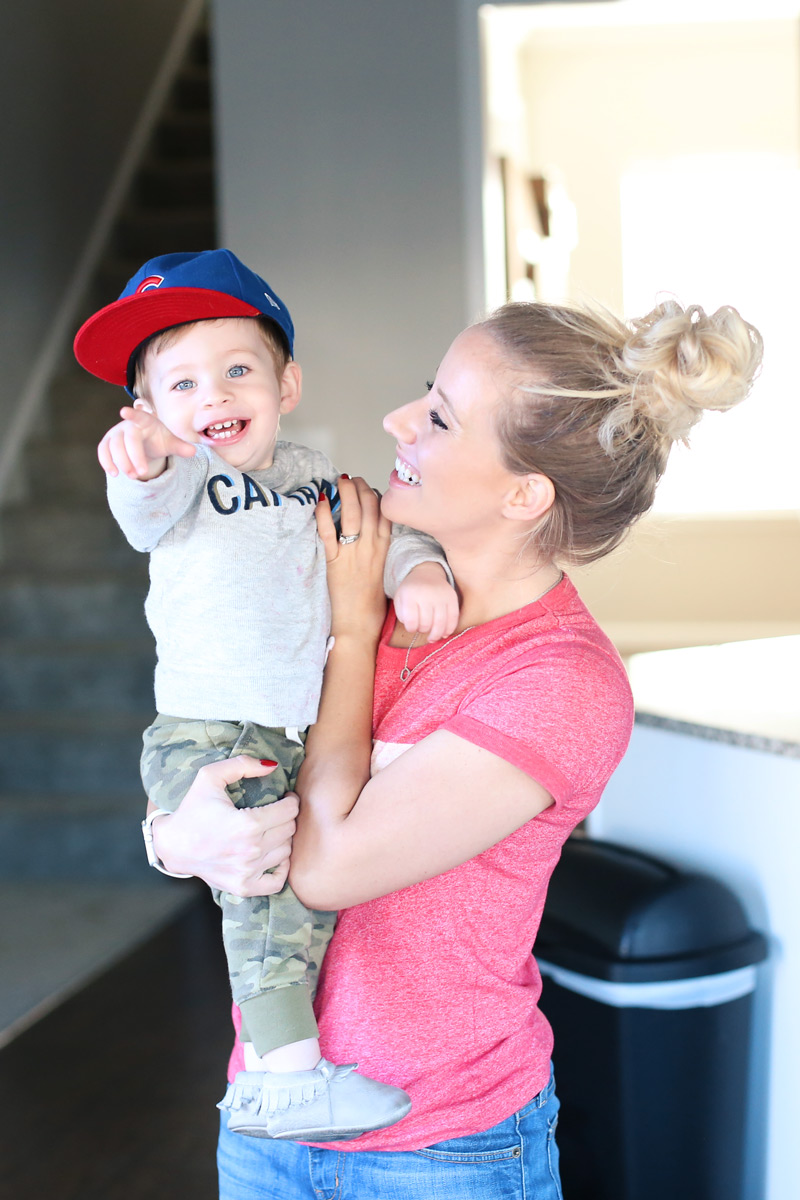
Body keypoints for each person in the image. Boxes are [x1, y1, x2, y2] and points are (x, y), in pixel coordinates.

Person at [150, 297, 763, 1199]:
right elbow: (210, 760)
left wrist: (353, 633)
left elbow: (322, 868)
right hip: (264, 1118)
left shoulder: (558, 681)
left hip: (442, 1151)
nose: (397, 421)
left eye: (439, 417)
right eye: (422, 394)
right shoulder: (352, 573)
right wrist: (172, 838)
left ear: (524, 494)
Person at [72, 248, 461, 1142]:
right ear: (148, 411)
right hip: (208, 729)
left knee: (293, 896)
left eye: (238, 371)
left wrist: (421, 570)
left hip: (291, 729)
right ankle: (287, 1077)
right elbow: (141, 503)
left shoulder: (318, 480)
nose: (212, 396)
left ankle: (272, 1073)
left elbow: (382, 533)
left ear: (287, 384)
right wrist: (138, 459)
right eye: (181, 385)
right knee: (264, 898)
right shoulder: (179, 483)